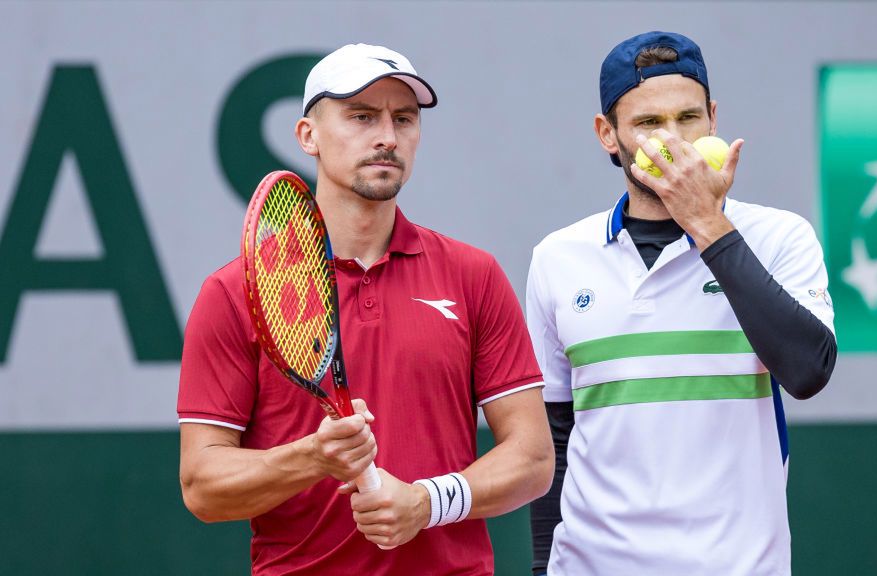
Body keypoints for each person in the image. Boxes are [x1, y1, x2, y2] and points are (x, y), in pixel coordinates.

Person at [177, 43, 553, 576]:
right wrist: (313, 457)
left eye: (404, 118)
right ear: (308, 135)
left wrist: (427, 502)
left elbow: (533, 458)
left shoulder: (474, 275)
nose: (387, 137)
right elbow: (202, 487)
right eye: (361, 116)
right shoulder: (234, 291)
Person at [527, 31, 837, 575]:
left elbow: (808, 371)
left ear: (713, 119)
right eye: (649, 123)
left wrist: (708, 224)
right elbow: (555, 436)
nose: (671, 140)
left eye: (688, 118)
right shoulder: (558, 257)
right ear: (607, 134)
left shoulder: (781, 236)